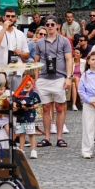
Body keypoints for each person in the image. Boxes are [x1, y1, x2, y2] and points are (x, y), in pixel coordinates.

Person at [34, 17, 73, 147]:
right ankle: (47, 138)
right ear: (45, 26)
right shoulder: (39, 42)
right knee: (45, 108)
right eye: (47, 24)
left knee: (59, 107)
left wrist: (69, 77)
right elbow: (36, 61)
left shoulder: (64, 41)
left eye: (52, 24)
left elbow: (69, 60)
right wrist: (36, 79)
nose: (50, 26)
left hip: (59, 78)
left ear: (57, 25)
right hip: (44, 78)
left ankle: (59, 137)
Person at [12, 81, 42, 159]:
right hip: (20, 116)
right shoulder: (19, 92)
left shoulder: (34, 93)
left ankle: (33, 150)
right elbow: (15, 101)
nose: (27, 83)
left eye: (29, 81)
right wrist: (15, 106)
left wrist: (30, 107)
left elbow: (37, 104)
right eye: (25, 81)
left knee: (31, 134)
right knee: (21, 134)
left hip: (29, 116)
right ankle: (22, 150)